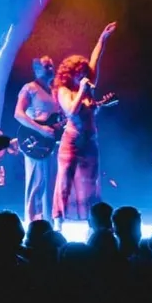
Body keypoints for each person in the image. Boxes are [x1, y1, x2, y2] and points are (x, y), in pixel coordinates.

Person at [51, 22, 117, 223]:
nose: (83, 75)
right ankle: (58, 221)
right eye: (78, 72)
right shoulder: (64, 91)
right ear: (70, 74)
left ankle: (93, 222)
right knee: (65, 181)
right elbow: (71, 111)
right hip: (72, 141)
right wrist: (82, 90)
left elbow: (96, 60)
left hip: (90, 140)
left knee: (92, 182)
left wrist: (102, 39)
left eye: (84, 71)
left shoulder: (88, 85)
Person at [13, 56, 61, 223]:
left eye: (52, 66)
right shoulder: (30, 88)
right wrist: (41, 129)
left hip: (50, 144)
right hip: (34, 142)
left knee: (51, 183)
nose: (51, 69)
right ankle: (34, 223)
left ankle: (48, 222)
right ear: (36, 69)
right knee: (37, 181)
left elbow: (55, 120)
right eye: (47, 66)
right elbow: (18, 113)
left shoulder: (54, 92)